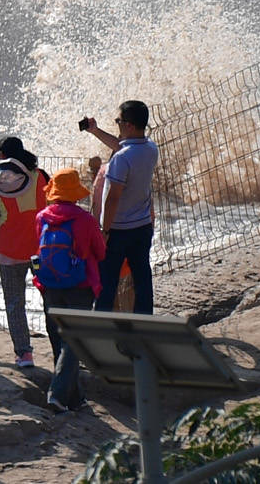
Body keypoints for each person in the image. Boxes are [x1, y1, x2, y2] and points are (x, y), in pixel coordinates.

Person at [32, 168, 107, 413]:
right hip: (80, 286)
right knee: (74, 342)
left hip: (49, 285)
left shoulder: (42, 217)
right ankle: (58, 395)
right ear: (75, 193)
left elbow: (39, 249)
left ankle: (75, 397)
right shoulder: (85, 219)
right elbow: (100, 251)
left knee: (58, 340)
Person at [80, 100, 158, 313]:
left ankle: (102, 325)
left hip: (119, 230)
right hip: (143, 226)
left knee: (107, 281)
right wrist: (95, 131)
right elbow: (120, 145)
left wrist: (105, 230)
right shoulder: (150, 148)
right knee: (142, 278)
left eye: (119, 121)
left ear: (129, 126)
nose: (117, 124)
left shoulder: (121, 160)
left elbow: (113, 198)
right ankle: (143, 324)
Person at [0, 137, 46, 368]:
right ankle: (63, 349)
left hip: (9, 252)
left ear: (0, 155)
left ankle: (24, 354)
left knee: (14, 303)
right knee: (50, 299)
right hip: (41, 250)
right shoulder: (41, 176)